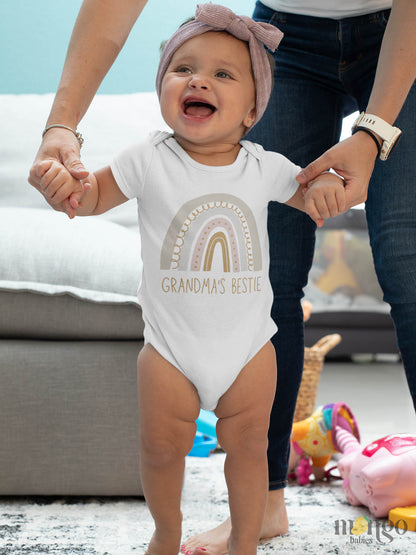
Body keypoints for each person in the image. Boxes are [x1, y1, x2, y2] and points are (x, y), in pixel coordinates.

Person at [28, 1, 416, 554]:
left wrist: (331, 186)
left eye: (221, 74)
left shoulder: (264, 165)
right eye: (183, 70)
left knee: (250, 446)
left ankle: (246, 538)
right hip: (168, 348)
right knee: (161, 449)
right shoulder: (145, 158)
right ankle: (175, 529)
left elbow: (310, 193)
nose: (199, 81)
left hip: (247, 348)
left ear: (252, 110)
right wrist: (63, 169)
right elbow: (88, 196)